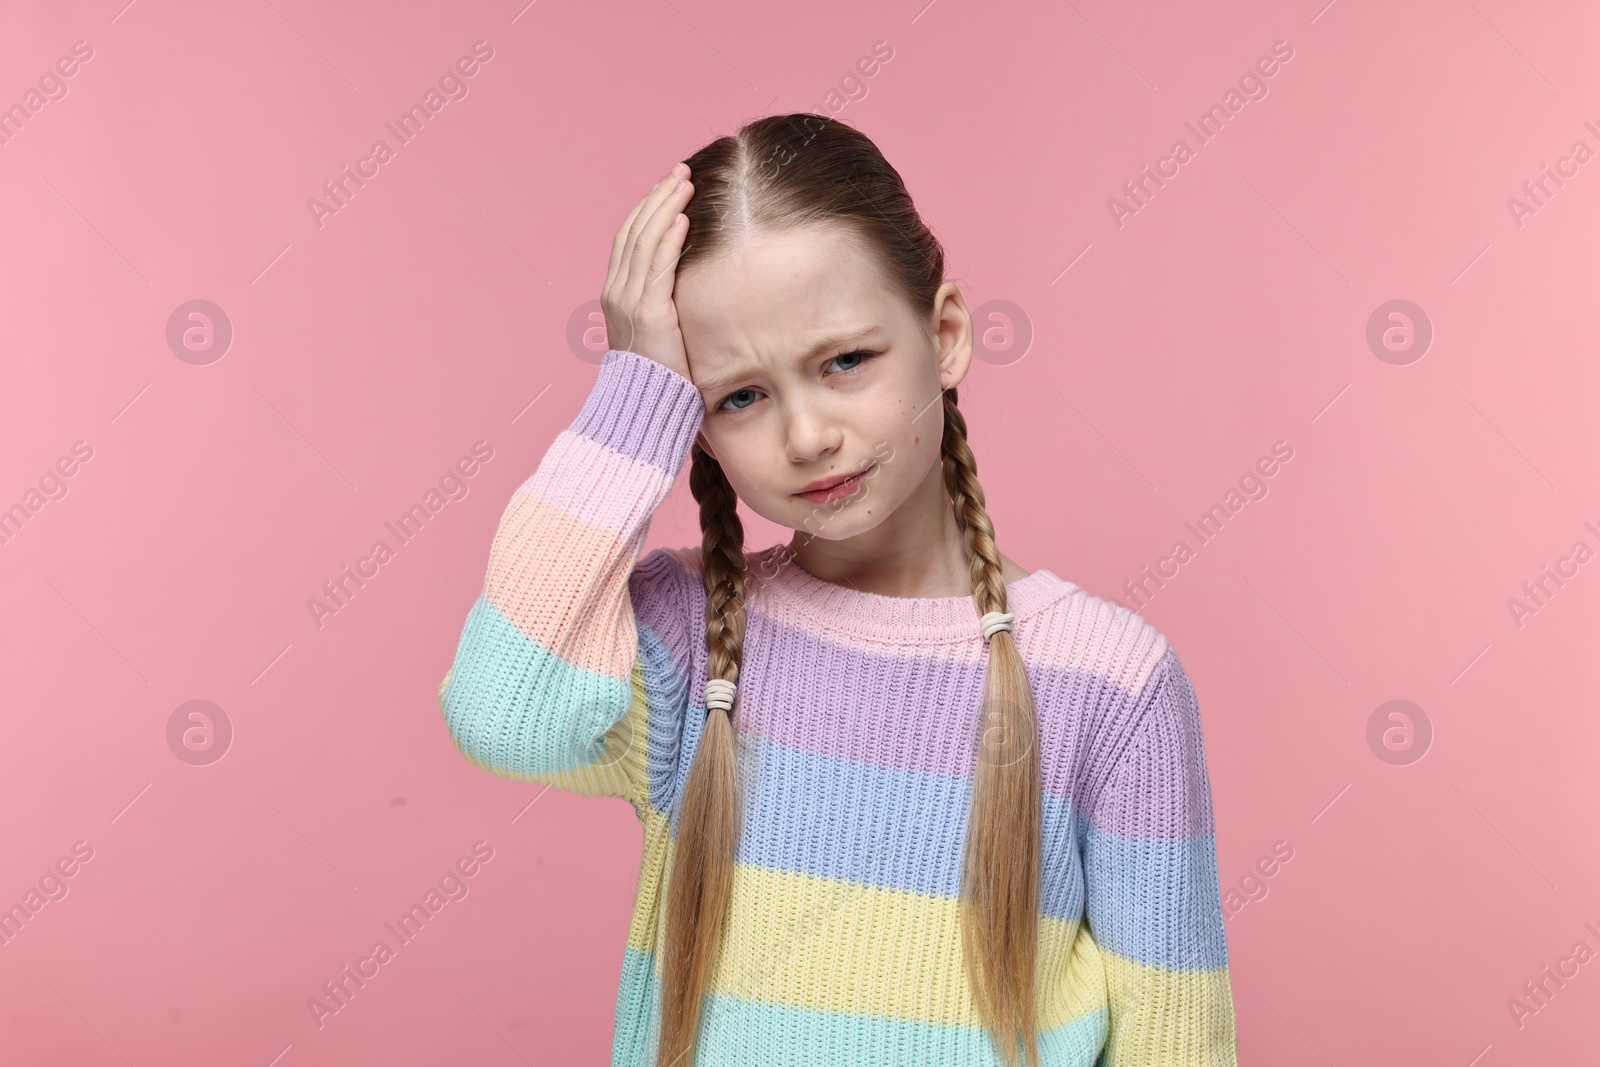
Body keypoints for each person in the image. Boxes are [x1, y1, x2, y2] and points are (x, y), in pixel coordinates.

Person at [438, 113, 1238, 1067]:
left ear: (943, 336)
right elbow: (501, 713)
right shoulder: (689, 645)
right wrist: (633, 390)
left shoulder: (1110, 683)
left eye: (845, 362)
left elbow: (1175, 1041)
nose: (807, 434)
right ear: (694, 424)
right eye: (739, 395)